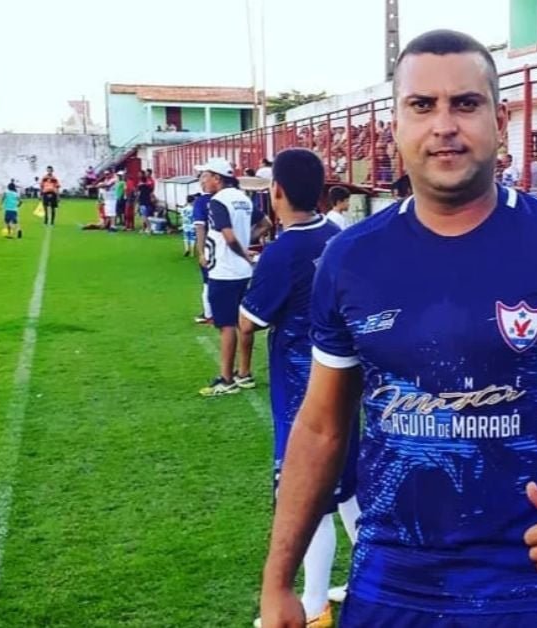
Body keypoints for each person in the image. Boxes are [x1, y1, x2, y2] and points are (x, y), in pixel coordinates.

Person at [258, 29, 537, 628]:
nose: (444, 125)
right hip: (393, 582)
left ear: (499, 121)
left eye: (466, 103)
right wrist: (278, 583)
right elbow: (321, 428)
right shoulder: (350, 260)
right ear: (396, 125)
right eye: (422, 105)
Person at [239, 149, 361, 628]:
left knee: (309, 497)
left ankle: (312, 606)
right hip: (347, 383)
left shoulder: (282, 251)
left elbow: (250, 320)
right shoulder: (339, 236)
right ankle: (371, 578)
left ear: (277, 192)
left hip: (302, 393)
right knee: (349, 491)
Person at [197, 157, 272, 396]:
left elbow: (228, 237)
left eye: (205, 176)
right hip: (243, 273)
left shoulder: (218, 201)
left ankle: (226, 379)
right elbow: (266, 223)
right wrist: (246, 244)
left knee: (226, 325)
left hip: (224, 271)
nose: (202, 181)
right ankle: (244, 373)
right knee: (243, 324)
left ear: (217, 178)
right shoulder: (243, 198)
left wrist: (242, 251)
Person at [192, 190, 214, 324]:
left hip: (211, 249)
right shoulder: (239, 198)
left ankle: (208, 314)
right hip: (233, 250)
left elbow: (200, 228)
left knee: (208, 282)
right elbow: (264, 223)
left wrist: (201, 253)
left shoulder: (201, 202)